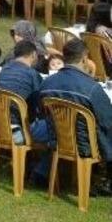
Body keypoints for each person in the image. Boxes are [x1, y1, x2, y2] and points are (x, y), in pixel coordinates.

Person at [34, 39, 112, 192]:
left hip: (56, 139)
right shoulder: (92, 88)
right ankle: (106, 178)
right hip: (86, 145)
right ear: (84, 58)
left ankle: (44, 171)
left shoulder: (47, 83)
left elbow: (41, 110)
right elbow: (108, 120)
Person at [0, 40, 43, 141]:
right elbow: (39, 104)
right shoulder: (32, 74)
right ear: (34, 54)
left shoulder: (5, 69)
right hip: (16, 131)